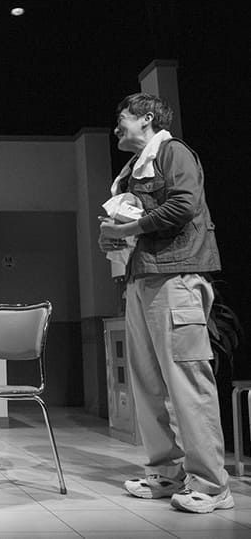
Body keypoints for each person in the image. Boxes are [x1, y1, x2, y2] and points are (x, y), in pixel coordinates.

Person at [99, 93, 231, 513]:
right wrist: (113, 236)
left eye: (123, 118)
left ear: (147, 118)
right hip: (142, 278)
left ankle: (212, 483)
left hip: (177, 277)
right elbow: (137, 221)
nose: (117, 127)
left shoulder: (173, 153)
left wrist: (128, 229)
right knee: (147, 383)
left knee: (187, 381)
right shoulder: (132, 169)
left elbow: (184, 204)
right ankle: (165, 471)